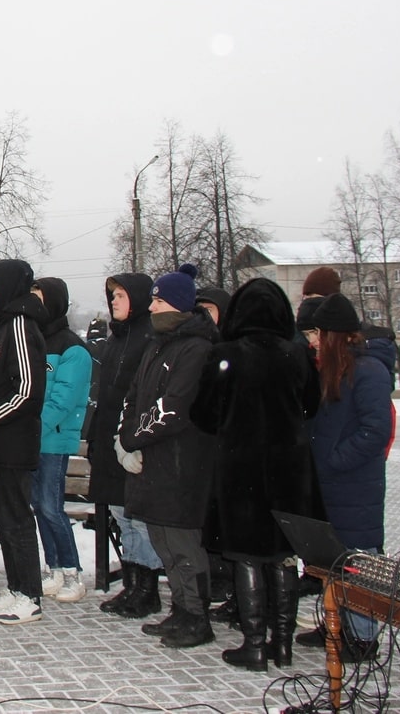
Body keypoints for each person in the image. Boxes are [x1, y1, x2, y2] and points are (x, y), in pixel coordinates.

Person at [191, 278, 322, 671]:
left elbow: (204, 413)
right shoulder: (297, 354)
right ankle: (283, 645)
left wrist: (233, 422)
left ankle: (255, 644)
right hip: (290, 469)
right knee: (284, 556)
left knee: (247, 556)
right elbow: (310, 407)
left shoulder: (226, 354)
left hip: (241, 469)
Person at [118, 263, 219, 649]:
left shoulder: (196, 348)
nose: (153, 305)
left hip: (179, 464)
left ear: (177, 305)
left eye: (159, 299)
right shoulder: (157, 345)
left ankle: (197, 615)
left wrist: (133, 438)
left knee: (183, 546)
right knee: (163, 540)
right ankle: (180, 608)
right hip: (153, 466)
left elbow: (173, 408)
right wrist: (126, 434)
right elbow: (134, 396)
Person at [303, 293, 394, 661]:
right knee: (336, 562)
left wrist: (335, 460)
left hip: (355, 485)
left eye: (318, 333)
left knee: (359, 562)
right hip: (333, 485)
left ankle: (363, 639)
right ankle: (336, 625)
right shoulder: (334, 369)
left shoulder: (368, 371)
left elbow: (376, 430)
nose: (312, 340)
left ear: (335, 334)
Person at [0, 260, 49, 626]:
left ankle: (30, 595)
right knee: (2, 517)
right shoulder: (3, 324)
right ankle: (16, 588)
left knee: (16, 518)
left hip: (15, 444)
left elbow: (28, 389)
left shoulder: (19, 324)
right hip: (1, 445)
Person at [86, 273, 162, 619]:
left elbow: (147, 396)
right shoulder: (116, 339)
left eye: (120, 295)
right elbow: (105, 392)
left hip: (133, 442)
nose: (113, 301)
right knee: (120, 513)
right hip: (109, 441)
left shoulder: (151, 337)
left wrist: (134, 439)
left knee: (138, 518)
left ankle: (148, 589)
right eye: (111, 295)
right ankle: (131, 584)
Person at [30, 277, 93, 603]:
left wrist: (34, 428)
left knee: (51, 507)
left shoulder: (72, 347)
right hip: (34, 440)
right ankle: (53, 568)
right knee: (39, 507)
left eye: (40, 300)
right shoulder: (36, 340)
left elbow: (63, 399)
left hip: (52, 440)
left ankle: (72, 572)